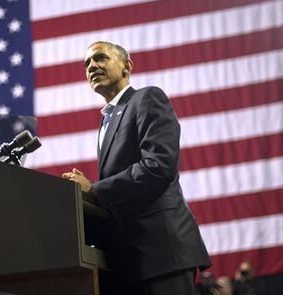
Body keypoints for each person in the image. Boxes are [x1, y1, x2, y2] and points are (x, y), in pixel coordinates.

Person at [62, 41, 211, 295]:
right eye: (87, 63)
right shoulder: (108, 119)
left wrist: (96, 189)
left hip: (161, 253)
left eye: (100, 58)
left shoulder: (147, 98)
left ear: (126, 66)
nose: (92, 66)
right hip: (130, 260)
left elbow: (157, 167)